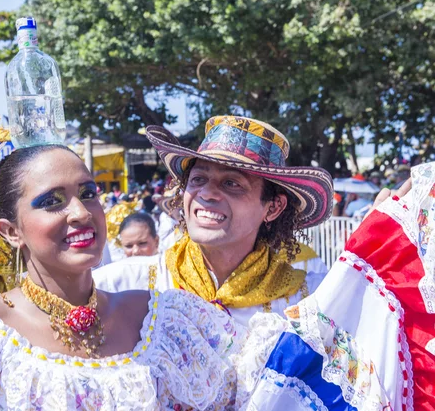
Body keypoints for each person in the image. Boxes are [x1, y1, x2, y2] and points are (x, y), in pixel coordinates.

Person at [0, 133, 248, 409]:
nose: (79, 212)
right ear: (11, 231)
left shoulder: (168, 320)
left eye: (89, 194)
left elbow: (265, 382)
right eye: (52, 201)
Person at [95, 116, 333, 322]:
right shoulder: (122, 285)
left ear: (273, 208)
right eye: (198, 179)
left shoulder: (309, 301)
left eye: (232, 183)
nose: (206, 193)